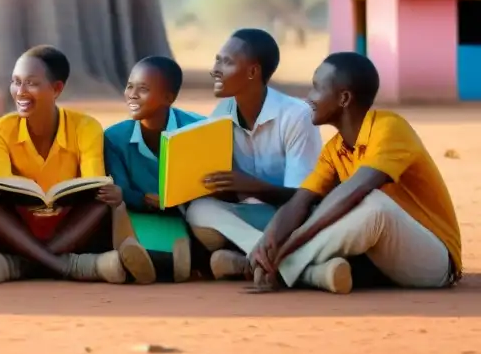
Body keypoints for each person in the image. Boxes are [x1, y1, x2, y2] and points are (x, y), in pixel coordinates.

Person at [245, 52, 461, 294]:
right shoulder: (334, 149)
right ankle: (293, 268)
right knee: (317, 209)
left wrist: (290, 244)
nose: (309, 98)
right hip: (381, 260)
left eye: (317, 88)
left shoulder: (390, 128)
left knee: (373, 205)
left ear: (344, 98)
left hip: (435, 262)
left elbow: (356, 190)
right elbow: (300, 201)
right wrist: (270, 239)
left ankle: (283, 267)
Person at [0, 45, 129, 284]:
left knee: (102, 202)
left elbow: (93, 183)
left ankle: (21, 266)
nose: (20, 92)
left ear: (56, 89)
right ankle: (68, 266)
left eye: (31, 83)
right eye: (16, 82)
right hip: (17, 227)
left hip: (71, 227)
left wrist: (111, 194)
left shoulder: (86, 127)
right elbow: (3, 187)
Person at [184, 28, 323, 280]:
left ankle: (262, 261)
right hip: (251, 218)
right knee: (199, 209)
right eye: (217, 60)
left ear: (252, 72)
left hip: (293, 219)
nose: (215, 69)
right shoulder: (222, 112)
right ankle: (279, 261)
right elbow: (225, 185)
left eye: (226, 62)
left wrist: (251, 186)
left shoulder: (297, 116)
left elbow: (305, 198)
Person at [104, 56, 202, 284]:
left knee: (204, 214)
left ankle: (180, 261)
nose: (132, 95)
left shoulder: (198, 130)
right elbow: (121, 189)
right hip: (139, 212)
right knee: (116, 208)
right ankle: (141, 258)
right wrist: (144, 200)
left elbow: (208, 182)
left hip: (184, 213)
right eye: (129, 86)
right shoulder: (114, 138)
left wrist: (177, 200)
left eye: (144, 89)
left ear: (169, 97)